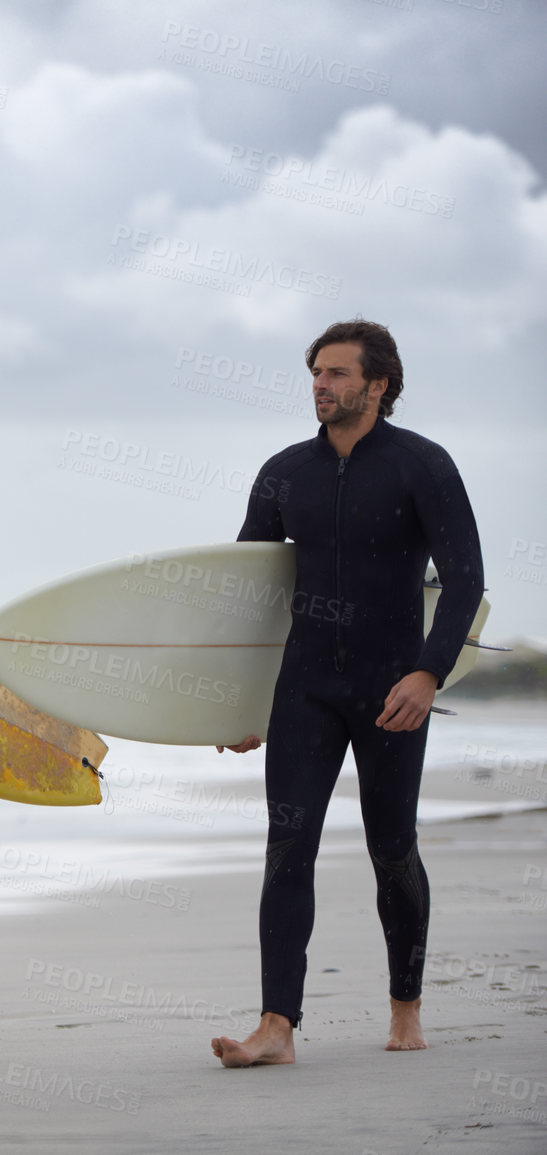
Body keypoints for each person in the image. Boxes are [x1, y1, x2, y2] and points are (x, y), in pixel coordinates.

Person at [211, 319, 483, 1067]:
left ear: (378, 384)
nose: (321, 386)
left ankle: (404, 1004)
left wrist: (427, 673)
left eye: (335, 373)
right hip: (304, 684)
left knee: (390, 848)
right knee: (285, 846)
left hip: (391, 684)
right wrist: (235, 703)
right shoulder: (283, 472)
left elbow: (463, 579)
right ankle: (275, 1026)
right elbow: (249, 589)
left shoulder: (421, 466)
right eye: (315, 374)